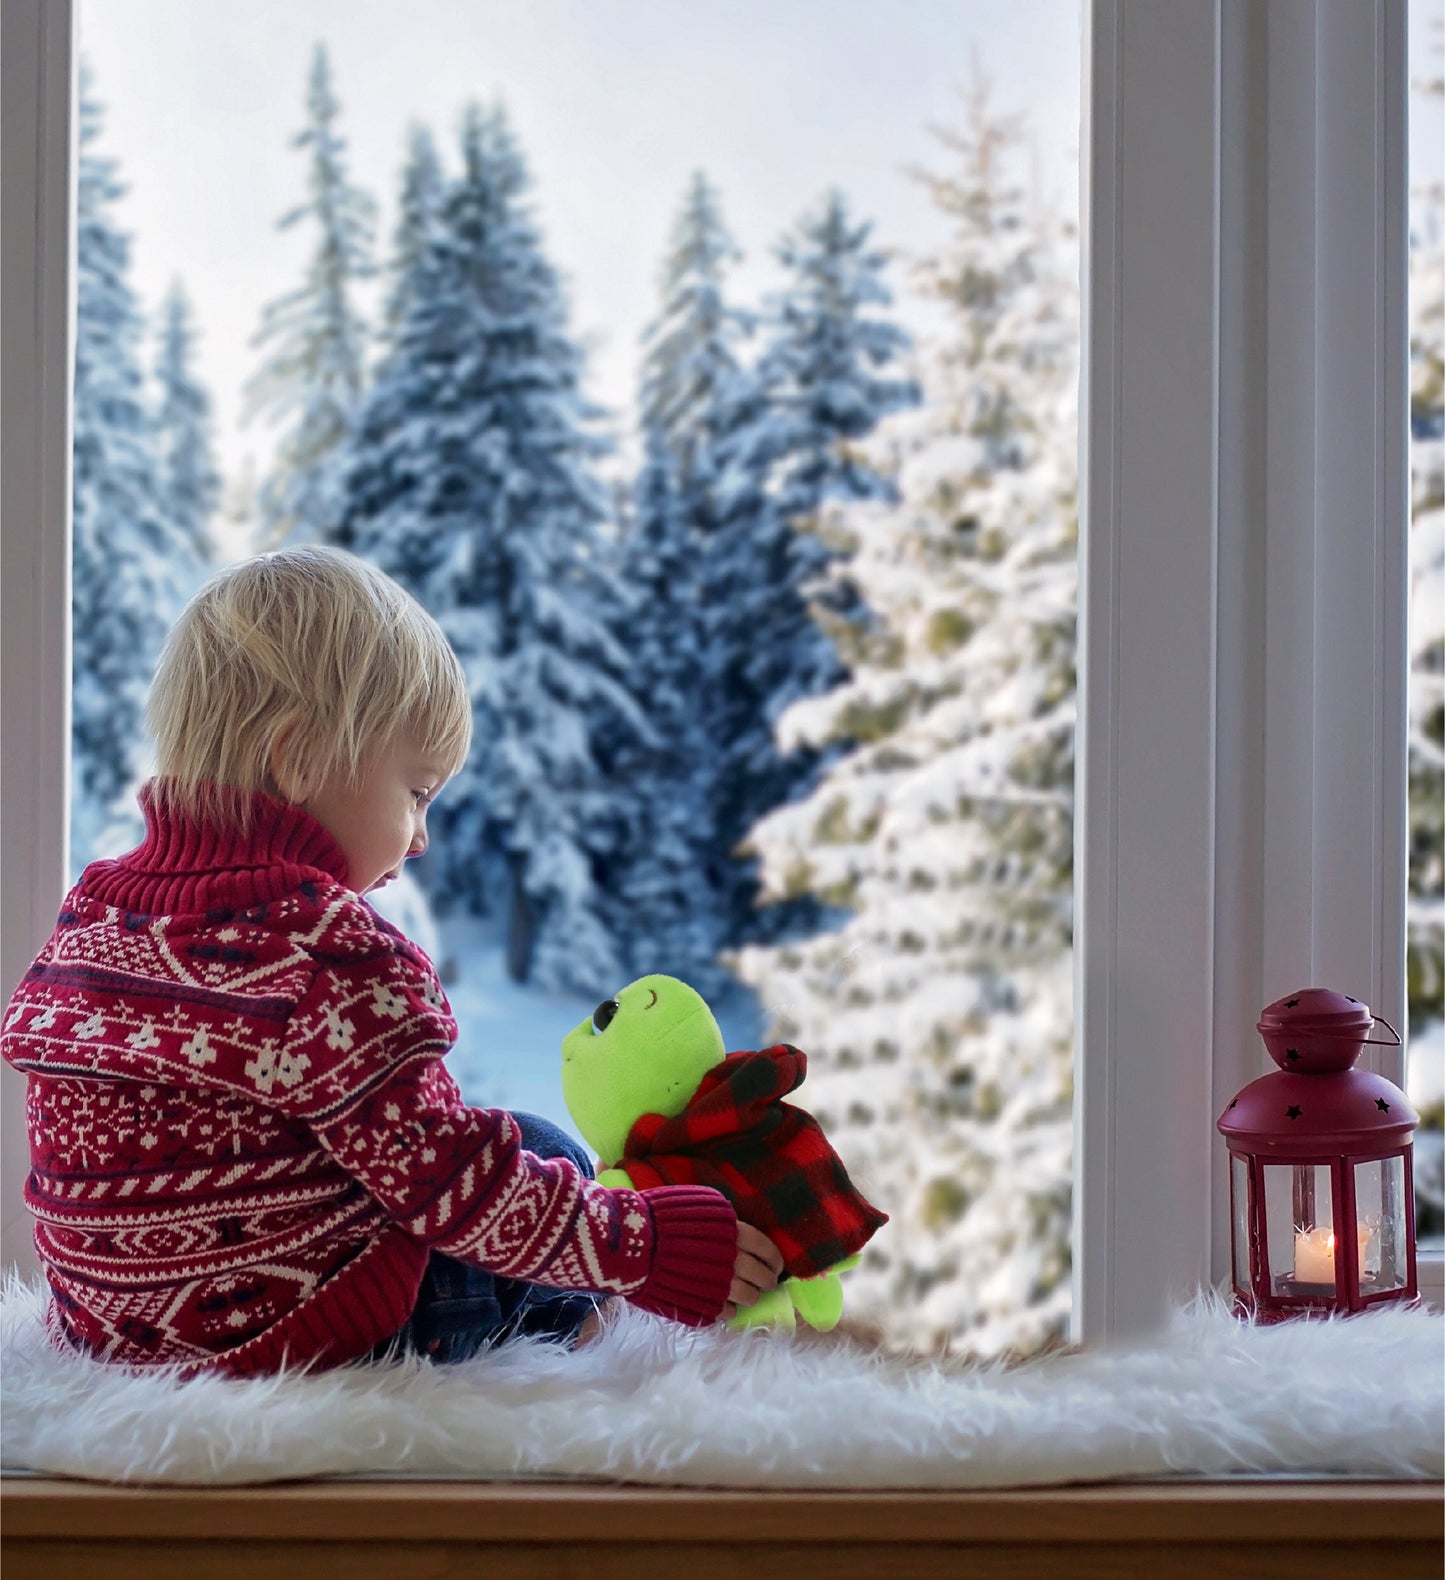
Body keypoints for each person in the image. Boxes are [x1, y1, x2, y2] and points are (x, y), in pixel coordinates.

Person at [1, 546, 782, 1374]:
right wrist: (650, 1246)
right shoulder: (331, 954)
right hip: (302, 1334)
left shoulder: (92, 914)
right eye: (415, 793)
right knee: (540, 1146)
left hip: (107, 1331)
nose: (419, 838)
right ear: (298, 758)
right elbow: (453, 1188)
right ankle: (580, 1320)